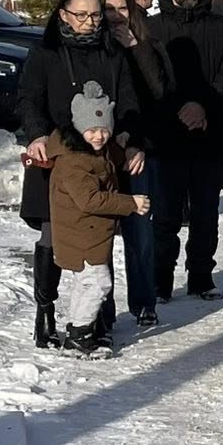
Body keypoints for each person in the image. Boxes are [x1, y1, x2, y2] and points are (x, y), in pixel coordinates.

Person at [19, 0, 145, 348]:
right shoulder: (45, 53)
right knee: (51, 234)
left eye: (94, 15)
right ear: (63, 14)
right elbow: (29, 98)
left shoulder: (113, 54)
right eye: (81, 15)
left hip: (102, 155)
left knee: (99, 230)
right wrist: (37, 134)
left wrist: (130, 139)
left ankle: (98, 316)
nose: (89, 22)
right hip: (55, 153)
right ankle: (45, 310)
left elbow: (131, 103)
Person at [149, 0, 223, 304]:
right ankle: (161, 280)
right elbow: (147, 79)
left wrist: (204, 106)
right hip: (166, 138)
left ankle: (201, 277)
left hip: (209, 135)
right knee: (164, 216)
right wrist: (179, 109)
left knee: (206, 214)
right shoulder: (152, 30)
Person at [46, 81, 148, 355]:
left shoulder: (95, 150)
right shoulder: (74, 161)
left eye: (104, 130)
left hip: (86, 231)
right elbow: (89, 199)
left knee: (86, 281)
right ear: (79, 128)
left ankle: (76, 331)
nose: (99, 136)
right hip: (80, 232)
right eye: (91, 130)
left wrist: (124, 146)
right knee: (99, 282)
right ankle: (80, 333)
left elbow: (108, 160)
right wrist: (131, 203)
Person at [101, 0, 173, 329]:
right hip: (102, 150)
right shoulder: (93, 48)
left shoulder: (148, 44)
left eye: (123, 8)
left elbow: (159, 95)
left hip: (142, 150)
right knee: (99, 230)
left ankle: (144, 301)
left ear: (135, 10)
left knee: (140, 229)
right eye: (109, 8)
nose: (116, 16)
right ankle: (103, 305)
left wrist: (135, 48)